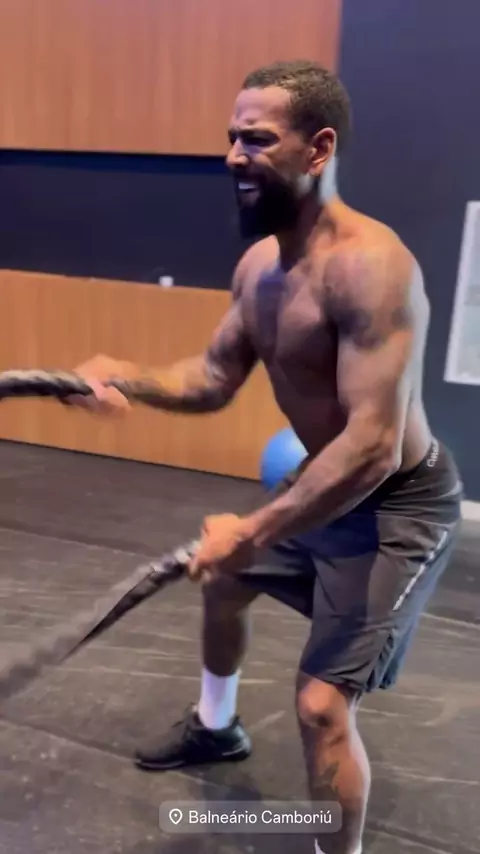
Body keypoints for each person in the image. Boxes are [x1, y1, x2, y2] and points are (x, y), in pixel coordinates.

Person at [70, 61, 463, 854]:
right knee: (225, 584)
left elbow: (373, 447)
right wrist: (128, 379)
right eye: (231, 137)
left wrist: (250, 532)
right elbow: (214, 378)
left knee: (321, 708)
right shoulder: (260, 268)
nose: (233, 156)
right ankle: (217, 728)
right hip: (325, 479)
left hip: (397, 505)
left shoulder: (372, 267)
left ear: (318, 148)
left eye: (256, 139)